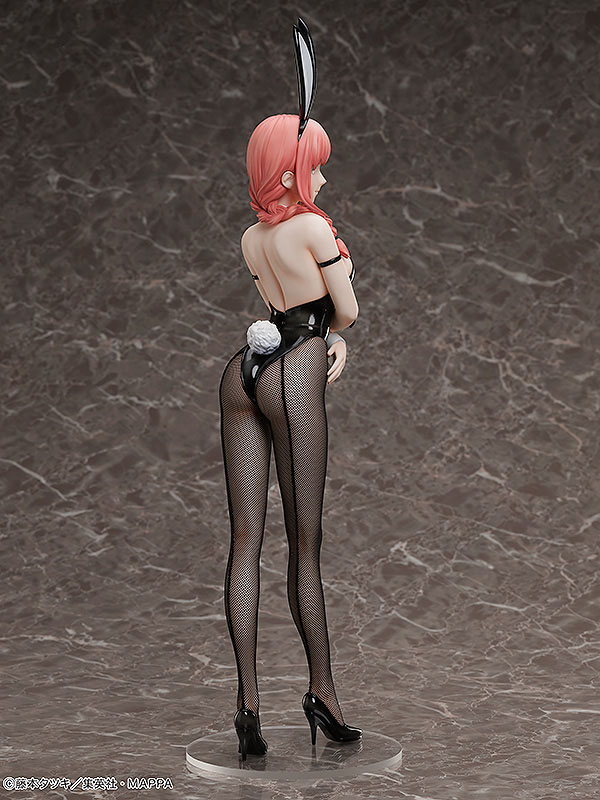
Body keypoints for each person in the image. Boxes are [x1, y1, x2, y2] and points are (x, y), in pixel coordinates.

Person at [218, 20, 362, 762]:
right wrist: (336, 334)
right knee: (304, 548)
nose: (324, 179)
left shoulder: (253, 239)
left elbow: (276, 302)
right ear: (290, 176)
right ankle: (322, 694)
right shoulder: (312, 229)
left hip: (244, 366)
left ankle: (246, 705)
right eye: (316, 168)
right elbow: (346, 310)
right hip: (297, 367)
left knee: (244, 542)